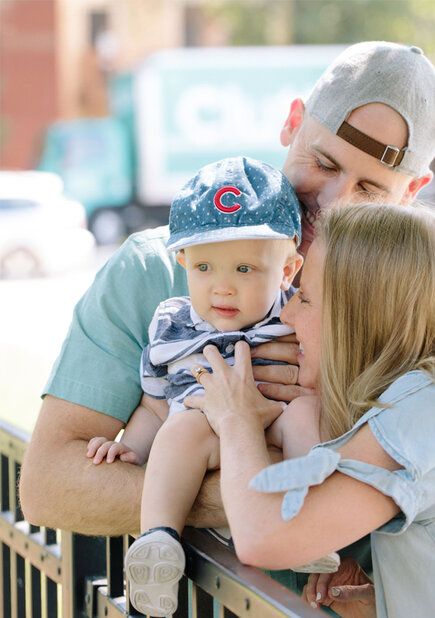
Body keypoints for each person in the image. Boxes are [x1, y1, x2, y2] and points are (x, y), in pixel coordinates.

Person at [18, 40, 435, 596]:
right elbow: (50, 485)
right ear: (292, 123)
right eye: (324, 163)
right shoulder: (153, 271)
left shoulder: (415, 311)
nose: (335, 203)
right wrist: (257, 495)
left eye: (369, 189)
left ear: (411, 193)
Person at [184, 203, 435, 617]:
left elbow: (264, 537)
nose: (288, 315)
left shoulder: (434, 400)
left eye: (306, 298)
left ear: (365, 313)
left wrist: (235, 418)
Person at [82, 157, 346, 616]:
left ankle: (303, 523)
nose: (222, 288)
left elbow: (321, 385)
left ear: (287, 270)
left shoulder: (293, 318)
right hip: (205, 434)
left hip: (275, 429)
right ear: (182, 260)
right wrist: (135, 449)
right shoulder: (174, 325)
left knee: (307, 414)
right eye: (205, 268)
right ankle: (158, 544)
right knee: (179, 431)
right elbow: (156, 403)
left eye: (245, 270)